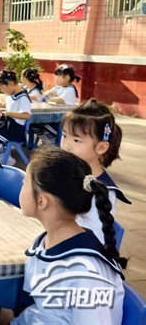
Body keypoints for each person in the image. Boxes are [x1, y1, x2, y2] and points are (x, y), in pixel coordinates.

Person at [13, 148, 125, 325]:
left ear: (42, 201)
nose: (21, 187)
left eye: (23, 183)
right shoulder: (46, 242)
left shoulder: (86, 272)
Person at [60, 100, 130, 245]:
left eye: (77, 140)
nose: (66, 146)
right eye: (65, 136)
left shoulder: (103, 192)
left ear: (101, 147)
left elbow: (91, 241)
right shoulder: (67, 171)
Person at [0, 69, 32, 165]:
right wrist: (1, 105)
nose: (2, 90)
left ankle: (6, 157)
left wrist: (8, 113)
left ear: (10, 84)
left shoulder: (23, 97)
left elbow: (26, 115)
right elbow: (11, 105)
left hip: (15, 129)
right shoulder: (11, 94)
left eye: (2, 88)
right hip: (8, 124)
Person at [36, 64, 81, 141]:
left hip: (66, 117)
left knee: (43, 124)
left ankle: (54, 139)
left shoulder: (70, 89)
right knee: (37, 124)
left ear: (67, 77)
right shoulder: (58, 87)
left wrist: (49, 98)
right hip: (57, 114)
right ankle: (49, 140)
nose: (56, 78)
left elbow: (60, 99)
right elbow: (45, 94)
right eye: (55, 76)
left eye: (58, 76)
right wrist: (47, 93)